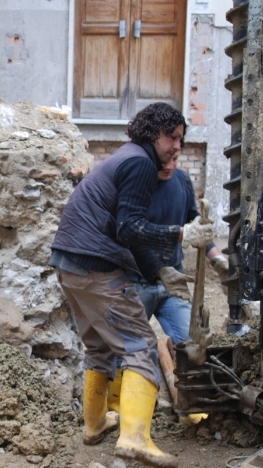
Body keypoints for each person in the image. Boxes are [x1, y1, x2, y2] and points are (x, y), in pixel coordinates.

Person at [48, 103, 215, 468]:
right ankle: (135, 438)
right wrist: (183, 233)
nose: (177, 146)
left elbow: (127, 228)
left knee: (98, 345)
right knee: (140, 345)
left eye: (181, 139)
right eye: (172, 137)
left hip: (69, 262)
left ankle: (94, 423)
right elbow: (131, 228)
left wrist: (158, 271)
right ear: (153, 133)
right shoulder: (141, 163)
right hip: (95, 265)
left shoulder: (126, 157)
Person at [131, 153, 230, 347]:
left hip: (174, 282)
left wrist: (217, 259)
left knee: (192, 345)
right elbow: (131, 235)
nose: (169, 165)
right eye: (164, 160)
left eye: (174, 159)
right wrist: (159, 270)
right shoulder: (136, 184)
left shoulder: (182, 180)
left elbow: (195, 226)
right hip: (137, 282)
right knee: (132, 350)